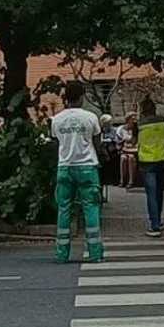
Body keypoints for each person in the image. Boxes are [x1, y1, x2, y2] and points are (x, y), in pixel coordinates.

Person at [50, 81, 105, 263]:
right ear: (82, 97)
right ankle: (95, 253)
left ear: (65, 98)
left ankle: (62, 254)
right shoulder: (91, 118)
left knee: (64, 209)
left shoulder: (56, 120)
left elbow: (55, 146)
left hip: (64, 167)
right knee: (91, 208)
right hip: (87, 167)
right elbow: (97, 145)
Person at [134, 97, 164, 237]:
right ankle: (158, 220)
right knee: (159, 191)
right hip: (163, 159)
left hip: (147, 161)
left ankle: (154, 226)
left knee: (151, 193)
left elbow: (134, 140)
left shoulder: (139, 124)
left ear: (142, 110)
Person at [117, 110, 140, 191]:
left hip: (134, 151)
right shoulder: (121, 129)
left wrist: (133, 135)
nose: (134, 121)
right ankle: (122, 180)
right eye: (132, 119)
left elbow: (135, 142)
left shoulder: (136, 130)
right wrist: (124, 140)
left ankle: (131, 181)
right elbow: (118, 142)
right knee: (123, 158)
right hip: (124, 149)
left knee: (131, 158)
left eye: (135, 119)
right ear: (128, 120)